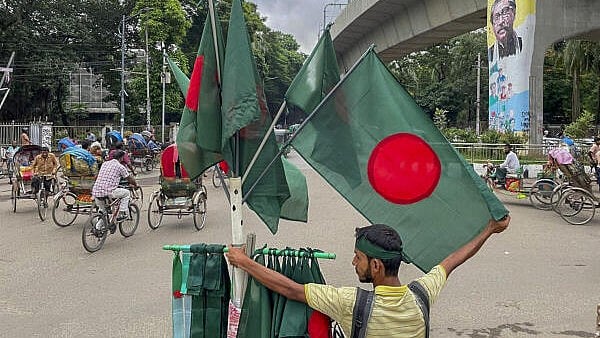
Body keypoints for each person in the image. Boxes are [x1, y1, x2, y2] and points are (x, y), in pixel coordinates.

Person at [227, 217, 510, 337]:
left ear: (375, 266)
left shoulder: (352, 303)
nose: (353, 261)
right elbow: (451, 261)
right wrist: (489, 230)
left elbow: (292, 290)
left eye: (358, 257)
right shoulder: (421, 295)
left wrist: (244, 262)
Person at [92, 150, 138, 223]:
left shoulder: (105, 163)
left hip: (96, 191)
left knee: (103, 212)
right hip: (108, 192)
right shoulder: (120, 167)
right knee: (126, 193)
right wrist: (135, 185)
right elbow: (129, 178)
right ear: (121, 158)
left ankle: (97, 229)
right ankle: (122, 213)